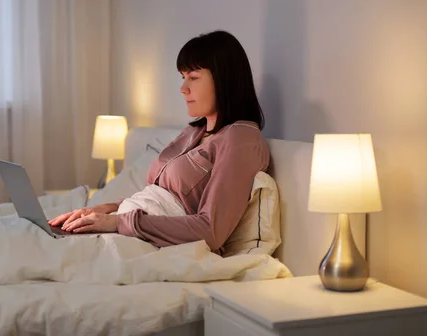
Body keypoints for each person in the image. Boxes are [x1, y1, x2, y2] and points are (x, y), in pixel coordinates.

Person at [49, 30, 269, 255]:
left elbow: (211, 231)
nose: (183, 88)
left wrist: (117, 222)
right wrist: (106, 209)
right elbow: (156, 198)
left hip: (151, 241)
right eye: (182, 77)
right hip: (129, 225)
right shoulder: (193, 132)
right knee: (38, 235)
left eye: (193, 77)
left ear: (225, 80)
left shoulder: (240, 139)